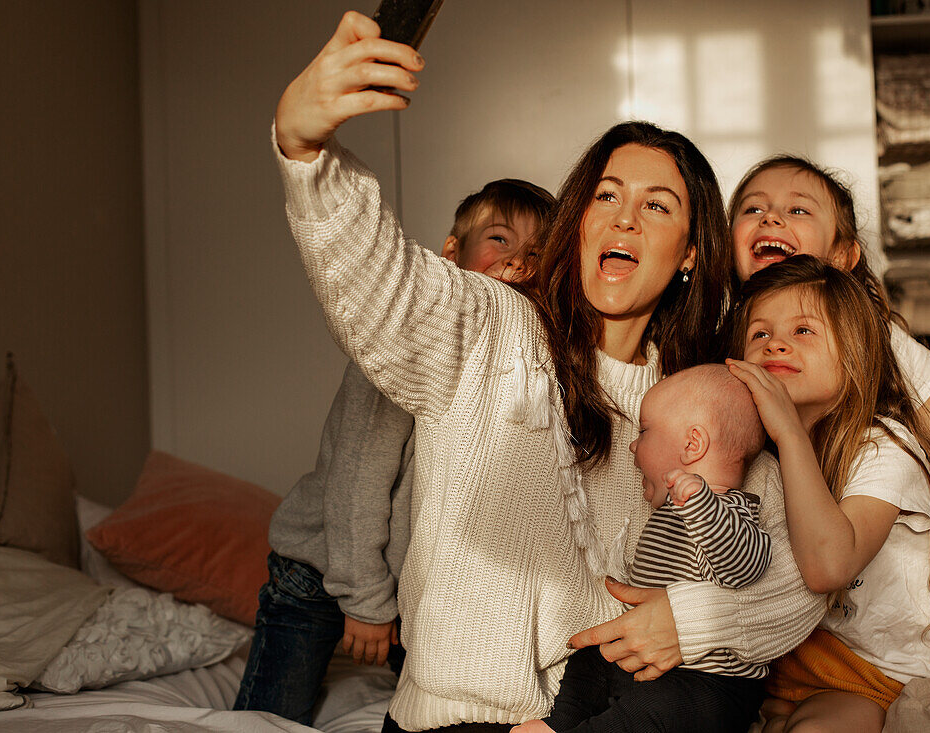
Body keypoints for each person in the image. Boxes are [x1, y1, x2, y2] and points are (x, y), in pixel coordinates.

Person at [273, 11, 823, 731]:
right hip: (455, 720)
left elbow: (803, 575)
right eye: (606, 195)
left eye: (656, 206)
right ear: (581, 220)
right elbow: (384, 287)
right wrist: (305, 148)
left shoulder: (706, 399)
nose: (623, 219)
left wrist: (689, 621)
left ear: (691, 253)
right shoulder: (492, 326)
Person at [234, 178, 556, 725]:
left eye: (536, 253)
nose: (517, 262)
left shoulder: (515, 352)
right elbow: (357, 479)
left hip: (408, 580)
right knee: (271, 713)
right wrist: (365, 603)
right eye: (499, 240)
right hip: (321, 563)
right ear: (450, 252)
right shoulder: (410, 345)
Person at [727, 154, 930, 633]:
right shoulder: (723, 338)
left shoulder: (877, 342)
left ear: (844, 257)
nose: (771, 218)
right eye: (753, 209)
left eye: (798, 211)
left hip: (896, 576)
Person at [727, 255, 930, 731]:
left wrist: (790, 434)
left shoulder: (884, 446)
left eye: (803, 331)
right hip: (787, 658)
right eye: (759, 334)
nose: (775, 343)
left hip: (874, 672)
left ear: (855, 355)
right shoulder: (758, 454)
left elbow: (829, 566)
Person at [513, 364, 771, 733]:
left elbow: (746, 565)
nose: (634, 444)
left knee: (652, 710)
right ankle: (561, 723)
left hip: (712, 683)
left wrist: (701, 504)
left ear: (692, 444)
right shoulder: (673, 509)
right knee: (591, 660)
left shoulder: (727, 508)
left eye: (645, 431)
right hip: (652, 660)